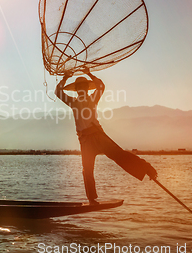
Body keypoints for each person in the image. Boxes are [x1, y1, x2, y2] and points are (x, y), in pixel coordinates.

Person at [55, 68, 157, 204]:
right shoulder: (73, 102)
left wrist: (89, 73)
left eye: (83, 87)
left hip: (97, 135)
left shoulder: (92, 97)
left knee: (119, 155)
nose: (81, 89)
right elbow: (58, 92)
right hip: (85, 141)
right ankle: (92, 199)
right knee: (87, 170)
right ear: (77, 90)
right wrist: (65, 78)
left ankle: (147, 169)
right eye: (79, 87)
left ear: (86, 88)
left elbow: (101, 86)